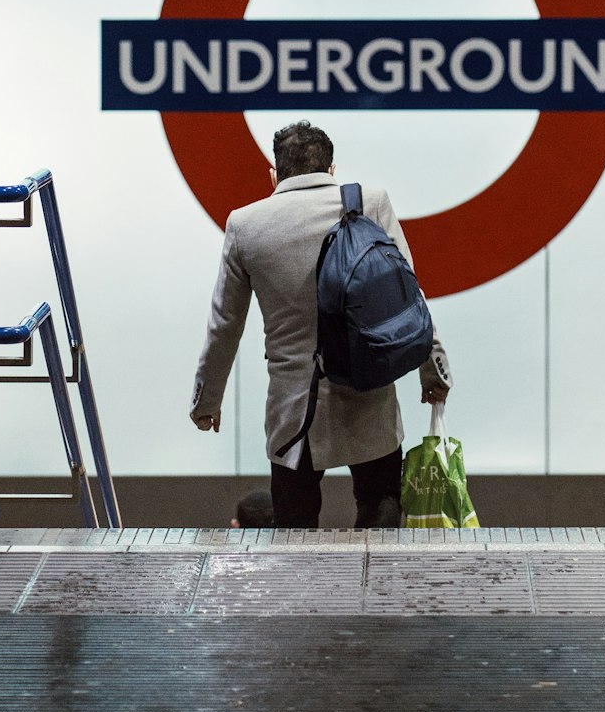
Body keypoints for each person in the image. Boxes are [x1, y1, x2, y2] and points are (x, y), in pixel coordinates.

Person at [190, 120, 451, 528]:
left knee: (294, 527)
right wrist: (431, 371)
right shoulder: (370, 203)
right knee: (379, 507)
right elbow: (408, 297)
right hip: (369, 391)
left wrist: (207, 401)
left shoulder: (245, 225)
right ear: (331, 170)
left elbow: (225, 324)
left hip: (295, 409)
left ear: (274, 175)